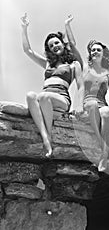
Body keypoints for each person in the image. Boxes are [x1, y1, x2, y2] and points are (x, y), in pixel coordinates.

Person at [21, 13, 83, 157]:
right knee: (30, 95)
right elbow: (27, 51)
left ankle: (49, 136)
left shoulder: (73, 65)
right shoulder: (48, 64)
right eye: (51, 46)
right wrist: (24, 28)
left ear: (62, 44)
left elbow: (81, 86)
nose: (54, 46)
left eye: (56, 43)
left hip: (61, 99)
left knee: (43, 96)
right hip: (45, 99)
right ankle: (45, 137)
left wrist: (79, 107)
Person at [65, 15, 109, 171]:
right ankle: (104, 149)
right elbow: (73, 46)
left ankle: (103, 155)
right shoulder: (84, 68)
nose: (95, 51)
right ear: (90, 53)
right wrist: (67, 25)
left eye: (98, 50)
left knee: (107, 112)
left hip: (102, 104)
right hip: (88, 103)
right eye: (93, 50)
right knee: (93, 104)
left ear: (103, 53)